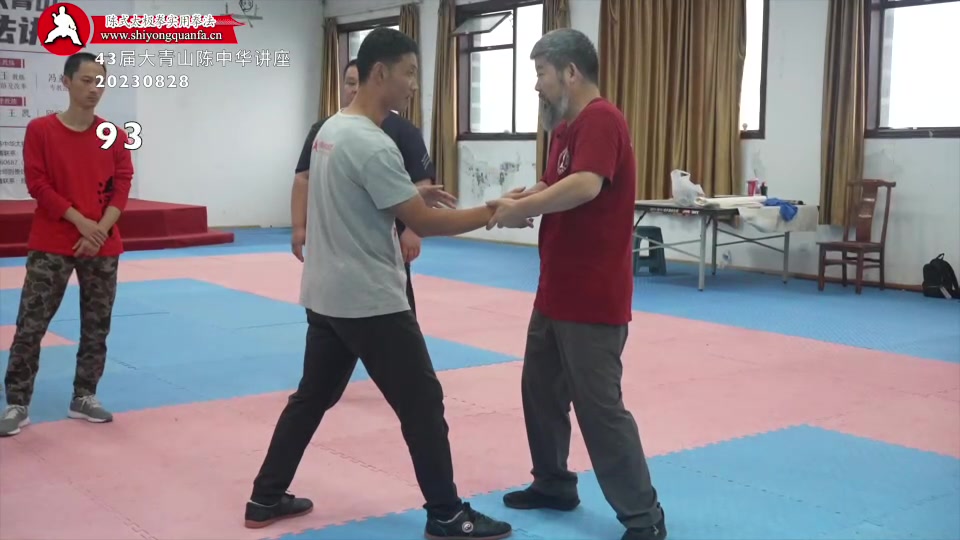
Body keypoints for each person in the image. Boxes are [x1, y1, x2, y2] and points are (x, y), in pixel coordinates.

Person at [244, 28, 523, 540]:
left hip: (326, 294)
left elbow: (361, 195)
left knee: (312, 396)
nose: (414, 84)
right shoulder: (373, 143)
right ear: (380, 73)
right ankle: (446, 514)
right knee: (423, 403)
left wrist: (411, 197)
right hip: (369, 300)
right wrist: (494, 211)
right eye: (409, 73)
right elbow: (425, 222)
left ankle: (265, 497)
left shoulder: (331, 129)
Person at [485, 29, 667, 540]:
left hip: (593, 295)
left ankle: (644, 517)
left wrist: (525, 207)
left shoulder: (602, 119)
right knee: (539, 390)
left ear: (570, 72)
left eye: (541, 73)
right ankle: (553, 484)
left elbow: (586, 185)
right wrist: (524, 197)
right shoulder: (565, 128)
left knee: (599, 408)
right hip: (555, 290)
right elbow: (557, 182)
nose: (536, 85)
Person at [0, 52, 133, 437]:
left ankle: (84, 395)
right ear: (66, 82)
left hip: (102, 244)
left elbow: (122, 185)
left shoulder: (113, 135)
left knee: (97, 326)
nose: (94, 89)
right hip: (52, 241)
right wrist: (81, 222)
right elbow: (38, 184)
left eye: (99, 82)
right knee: (31, 324)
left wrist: (100, 230)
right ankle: (17, 402)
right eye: (86, 80)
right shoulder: (41, 130)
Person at [292, 59, 436, 411]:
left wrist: (412, 231)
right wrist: (299, 226)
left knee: (315, 396)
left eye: (358, 81)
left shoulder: (400, 132)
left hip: (382, 253)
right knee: (418, 401)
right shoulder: (326, 129)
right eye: (348, 82)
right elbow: (303, 177)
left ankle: (398, 368)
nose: (353, 89)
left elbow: (420, 184)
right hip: (338, 267)